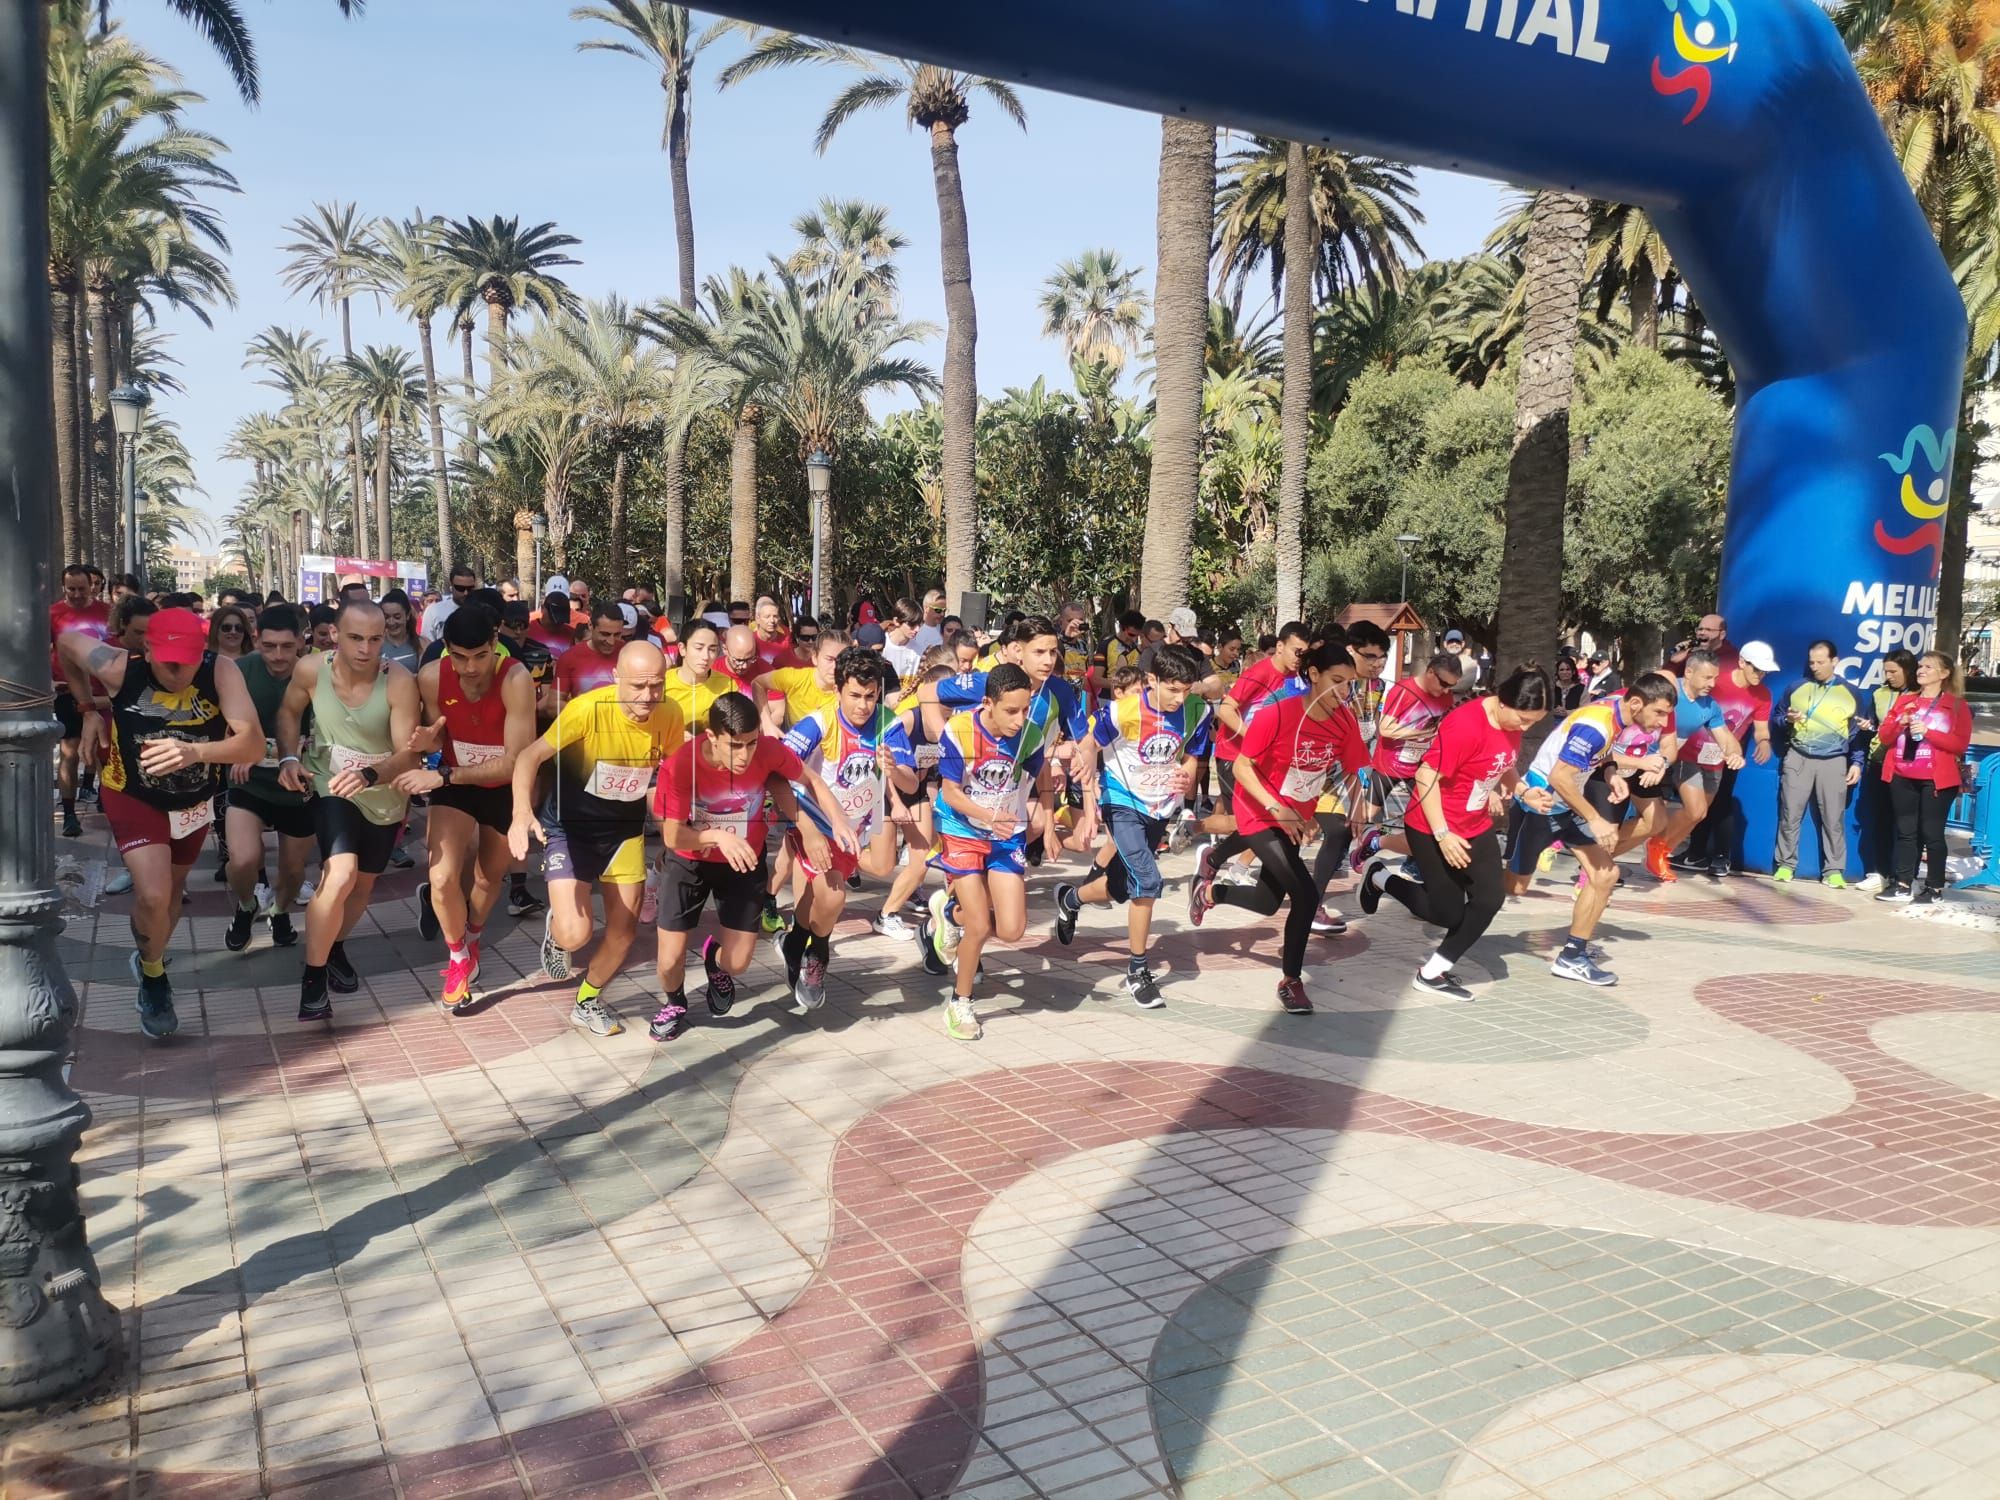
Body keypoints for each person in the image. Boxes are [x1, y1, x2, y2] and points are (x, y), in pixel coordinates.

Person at [59, 607, 262, 1038]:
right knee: (153, 894)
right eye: (168, 661)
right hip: (133, 794)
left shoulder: (220, 671)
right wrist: (87, 709)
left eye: (188, 660)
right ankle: (154, 980)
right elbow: (67, 642)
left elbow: (254, 745)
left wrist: (195, 753)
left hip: (192, 800)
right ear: (146, 649)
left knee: (169, 897)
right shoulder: (116, 667)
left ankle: (150, 958)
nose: (178, 672)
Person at [508, 641, 682, 1036]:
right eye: (638, 686)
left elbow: (671, 775)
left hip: (623, 832)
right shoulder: (586, 710)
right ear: (616, 678)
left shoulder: (669, 712)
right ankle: (558, 930)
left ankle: (587, 1000)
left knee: (624, 933)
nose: (648, 697)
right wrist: (521, 814)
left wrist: (680, 826)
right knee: (576, 934)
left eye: (657, 686)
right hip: (570, 829)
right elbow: (528, 757)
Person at [648, 693, 845, 1039]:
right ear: (711, 737)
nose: (745, 755)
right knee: (668, 962)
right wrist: (716, 837)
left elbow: (809, 780)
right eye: (735, 746)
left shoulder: (766, 749)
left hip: (744, 862)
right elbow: (672, 836)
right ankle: (675, 1001)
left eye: (751, 744)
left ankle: (713, 961)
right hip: (690, 862)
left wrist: (828, 823)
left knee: (737, 963)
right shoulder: (681, 765)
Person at [1189, 638, 1366, 1016]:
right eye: (1337, 680)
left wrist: (1359, 804)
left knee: (1268, 902)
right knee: (1303, 894)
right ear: (1314, 675)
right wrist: (1277, 807)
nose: (1344, 691)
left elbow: (1353, 768)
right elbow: (1242, 768)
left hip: (1294, 818)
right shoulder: (1278, 714)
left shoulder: (1344, 720)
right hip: (1258, 811)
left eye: (1350, 683)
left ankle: (1210, 895)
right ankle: (1291, 981)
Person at [1363, 665, 1552, 998]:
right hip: (1430, 824)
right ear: (1503, 702)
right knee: (1445, 913)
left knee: (1490, 898)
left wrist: (1523, 791)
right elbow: (1425, 778)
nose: (1527, 726)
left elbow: (1503, 761)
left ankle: (1432, 972)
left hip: (1474, 824)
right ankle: (1381, 877)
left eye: (1534, 721)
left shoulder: (1511, 721)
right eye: (1524, 720)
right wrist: (1442, 835)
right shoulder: (1466, 725)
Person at [277, 601, 424, 1022]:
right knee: (338, 873)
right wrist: (289, 757)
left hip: (383, 793)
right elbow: (288, 711)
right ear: (334, 634)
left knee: (361, 887)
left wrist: (371, 774)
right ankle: (314, 977)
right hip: (330, 783)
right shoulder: (310, 669)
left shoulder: (398, 682)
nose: (366, 648)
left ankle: (334, 946)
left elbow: (406, 756)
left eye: (375, 639)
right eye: (356, 637)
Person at [1053, 645, 1212, 1009]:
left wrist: (1188, 775)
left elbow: (1192, 754)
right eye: (1172, 688)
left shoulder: (1195, 711)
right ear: (1151, 680)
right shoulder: (1123, 711)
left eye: (1186, 689)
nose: (1179, 697)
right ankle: (1138, 971)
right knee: (1149, 881)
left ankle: (1071, 898)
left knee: (1123, 888)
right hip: (1121, 801)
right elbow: (1089, 744)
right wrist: (1088, 785)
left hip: (1159, 807)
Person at [1501, 674, 1678, 986]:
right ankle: (1453, 884)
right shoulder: (1596, 725)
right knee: (1513, 888)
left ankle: (1572, 956)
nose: (1663, 722)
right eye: (1659, 712)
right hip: (1538, 807)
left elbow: (1603, 754)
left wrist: (1611, 774)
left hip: (1567, 808)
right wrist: (1595, 818)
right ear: (1637, 703)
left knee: (1605, 875)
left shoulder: (1616, 713)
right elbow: (1559, 776)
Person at [405, 606, 538, 1011]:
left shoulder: (516, 679)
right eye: (460, 657)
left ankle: (474, 936)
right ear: (446, 650)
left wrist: (446, 775)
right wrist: (426, 743)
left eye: (480, 655)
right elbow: (431, 741)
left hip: (498, 787)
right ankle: (459, 956)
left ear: (494, 645)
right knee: (442, 877)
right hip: (455, 784)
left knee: (487, 879)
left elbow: (516, 759)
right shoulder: (430, 678)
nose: (470, 668)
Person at [917, 665, 1052, 1041]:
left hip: (1007, 833)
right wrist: (988, 816)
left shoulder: (1032, 735)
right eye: (1011, 711)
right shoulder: (958, 732)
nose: (1020, 719)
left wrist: (1044, 811)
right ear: (988, 703)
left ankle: (949, 910)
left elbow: (1034, 777)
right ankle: (961, 1003)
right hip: (962, 829)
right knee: (978, 925)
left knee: (1011, 929)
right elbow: (950, 793)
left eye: (1025, 710)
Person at [774, 650, 908, 1010]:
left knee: (877, 869)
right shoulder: (817, 724)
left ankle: (794, 941)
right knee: (833, 898)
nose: (863, 705)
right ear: (838, 691)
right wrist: (809, 829)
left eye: (870, 696)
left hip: (859, 824)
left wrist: (894, 769)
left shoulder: (890, 723)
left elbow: (910, 780)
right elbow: (776, 774)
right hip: (815, 822)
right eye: (855, 695)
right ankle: (816, 955)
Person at [222, 607, 318, 954]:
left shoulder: (318, 672)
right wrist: (239, 747)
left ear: (301, 643)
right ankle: (247, 906)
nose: (278, 656)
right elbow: (219, 721)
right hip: (249, 782)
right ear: (257, 640)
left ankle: (279, 911)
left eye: (286, 647)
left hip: (300, 786)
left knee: (293, 870)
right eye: (269, 646)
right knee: (243, 859)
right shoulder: (239, 670)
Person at [1351, 652, 1464, 880]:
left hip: (1420, 769)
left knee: (1426, 821)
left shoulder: (1445, 697)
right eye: (1443, 683)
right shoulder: (1405, 690)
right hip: (1388, 766)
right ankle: (1348, 849)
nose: (1445, 690)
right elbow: (1385, 729)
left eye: (1450, 686)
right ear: (1430, 672)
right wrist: (1421, 732)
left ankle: (1414, 864)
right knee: (1364, 816)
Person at [1875, 650, 1974, 905]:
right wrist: (1900, 723)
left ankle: (1934, 888)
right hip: (1902, 774)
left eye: (1928, 667)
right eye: (1920, 666)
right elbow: (1885, 737)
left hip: (1936, 779)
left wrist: (1929, 732)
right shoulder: (1905, 701)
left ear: (1944, 674)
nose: (1921, 670)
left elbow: (1960, 745)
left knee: (1932, 833)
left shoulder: (1956, 705)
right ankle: (1903, 883)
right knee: (1906, 832)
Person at [1673, 641, 1778, 876]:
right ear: (1742, 662)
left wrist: (1764, 742)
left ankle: (1721, 856)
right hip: (1689, 753)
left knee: (1720, 803)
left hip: (1727, 756)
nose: (1761, 675)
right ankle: (1693, 852)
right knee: (1695, 807)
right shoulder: (1715, 681)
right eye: (1756, 669)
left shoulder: (1763, 694)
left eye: (1765, 671)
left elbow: (1761, 729)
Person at [1642, 649, 1747, 885]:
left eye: (1715, 678)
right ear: (1689, 672)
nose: (1712, 683)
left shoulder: (1710, 706)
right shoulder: (1668, 690)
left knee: (1698, 812)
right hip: (1640, 758)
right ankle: (1597, 856)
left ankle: (1659, 849)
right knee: (1643, 816)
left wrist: (1735, 755)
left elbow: (1726, 739)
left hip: (1674, 759)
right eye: (1706, 677)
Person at [1771, 640, 1869, 887]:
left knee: (1833, 817)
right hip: (1798, 757)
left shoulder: (1850, 692)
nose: (1815, 667)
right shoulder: (1796, 687)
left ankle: (1834, 870)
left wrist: (1857, 762)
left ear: (1834, 662)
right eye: (1812, 662)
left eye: (1821, 662)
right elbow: (1778, 718)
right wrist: (1788, 720)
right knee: (1790, 814)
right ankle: (1785, 865)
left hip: (1834, 760)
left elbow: (1857, 731)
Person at [52, 563, 112, 838]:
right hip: (68, 693)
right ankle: (69, 814)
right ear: (64, 587)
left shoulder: (107, 612)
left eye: (82, 588)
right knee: (70, 751)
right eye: (71, 589)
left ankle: (108, 801)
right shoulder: (53, 613)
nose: (76, 594)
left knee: (104, 752)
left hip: (104, 695)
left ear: (93, 586)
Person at [1856, 649, 1919, 895]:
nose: (1889, 676)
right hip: (1879, 762)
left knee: (1906, 824)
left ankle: (1905, 877)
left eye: (1894, 671)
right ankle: (1879, 872)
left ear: (1908, 670)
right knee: (1880, 820)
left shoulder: (1921, 694)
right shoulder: (1879, 694)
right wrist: (1868, 725)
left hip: (1908, 765)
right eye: (1886, 671)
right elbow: (1875, 723)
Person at [552, 600, 634, 705]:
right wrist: (586, 713)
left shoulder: (629, 654)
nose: (611, 641)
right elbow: (553, 704)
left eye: (617, 634)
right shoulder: (569, 658)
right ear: (590, 625)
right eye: (605, 634)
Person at [423, 566, 477, 641]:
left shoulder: (482, 611)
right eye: (460, 588)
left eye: (470, 588)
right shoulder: (433, 611)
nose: (465, 593)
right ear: (451, 586)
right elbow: (427, 643)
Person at [379, 588, 422, 672]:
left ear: (408, 615)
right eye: (386, 617)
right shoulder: (375, 643)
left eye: (397, 617)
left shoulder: (422, 644)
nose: (391, 622)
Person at [530, 591, 576, 657]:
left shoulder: (572, 635)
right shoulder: (528, 631)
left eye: (561, 621)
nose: (557, 624)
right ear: (543, 609)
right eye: (552, 619)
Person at [910, 590, 948, 656]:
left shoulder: (946, 627)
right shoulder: (914, 632)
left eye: (944, 610)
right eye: (938, 610)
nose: (942, 614)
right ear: (926, 608)